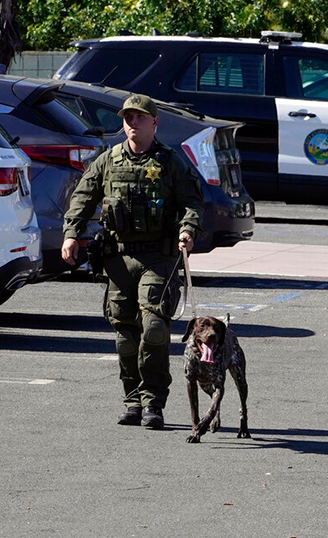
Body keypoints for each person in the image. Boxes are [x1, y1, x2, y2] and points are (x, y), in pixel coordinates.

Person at [61, 94, 204, 429]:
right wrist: (71, 233)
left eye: (140, 117)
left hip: (158, 256)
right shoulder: (108, 160)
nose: (132, 123)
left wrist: (187, 230)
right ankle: (133, 400)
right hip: (119, 257)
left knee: (154, 328)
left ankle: (154, 402)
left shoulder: (170, 162)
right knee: (125, 333)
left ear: (155, 122)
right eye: (128, 117)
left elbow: (191, 202)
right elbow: (83, 196)